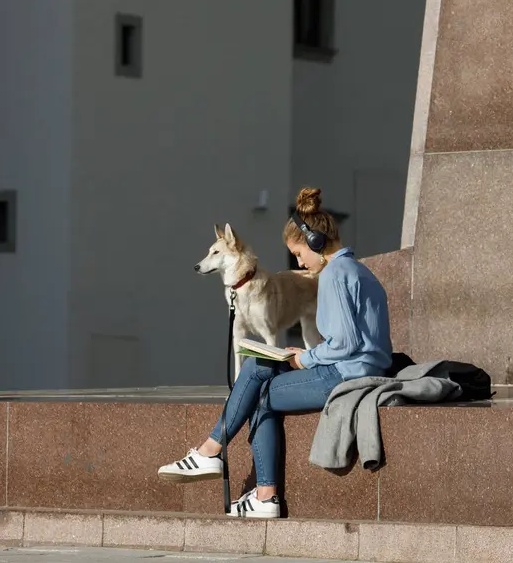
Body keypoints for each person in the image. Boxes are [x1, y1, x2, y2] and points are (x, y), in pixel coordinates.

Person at [157, 187, 393, 518]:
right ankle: (216, 458)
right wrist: (301, 356)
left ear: (315, 242)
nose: (298, 262)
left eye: (298, 253)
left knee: (259, 392)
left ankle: (249, 482)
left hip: (347, 375)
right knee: (256, 365)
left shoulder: (335, 274)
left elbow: (346, 343)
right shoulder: (358, 270)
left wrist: (304, 358)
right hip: (359, 368)